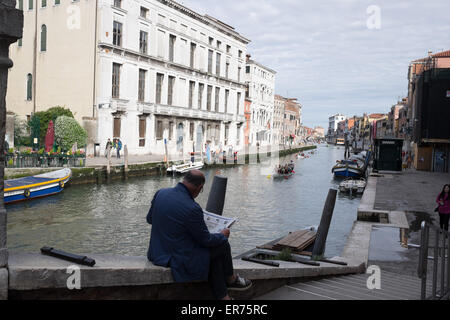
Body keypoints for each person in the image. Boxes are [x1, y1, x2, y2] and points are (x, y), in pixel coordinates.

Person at [146, 170, 252, 300]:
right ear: (199, 187)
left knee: (214, 257)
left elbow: (150, 219)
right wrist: (222, 235)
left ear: (184, 179)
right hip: (176, 257)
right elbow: (205, 240)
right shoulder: (192, 208)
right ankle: (231, 279)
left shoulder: (160, 193)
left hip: (157, 252)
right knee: (222, 244)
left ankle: (224, 298)